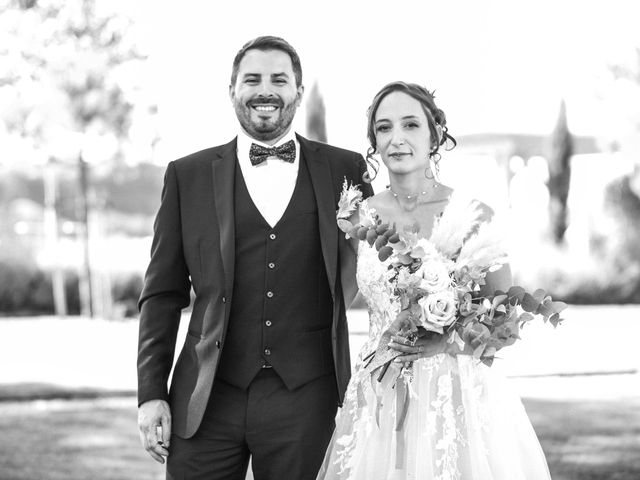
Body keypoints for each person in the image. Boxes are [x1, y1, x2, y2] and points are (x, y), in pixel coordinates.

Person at [137, 35, 373, 480]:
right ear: (232, 91)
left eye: (279, 80)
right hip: (205, 399)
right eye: (252, 79)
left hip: (307, 398)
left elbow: (379, 266)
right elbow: (162, 294)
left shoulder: (346, 170)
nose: (266, 91)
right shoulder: (187, 176)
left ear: (298, 93)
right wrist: (151, 393)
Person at [316, 82, 552, 479]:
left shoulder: (474, 214)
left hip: (455, 396)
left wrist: (442, 338)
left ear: (435, 135)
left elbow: (505, 326)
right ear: (374, 140)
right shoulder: (359, 220)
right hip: (380, 391)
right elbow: (330, 304)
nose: (397, 139)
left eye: (410, 125)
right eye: (384, 128)